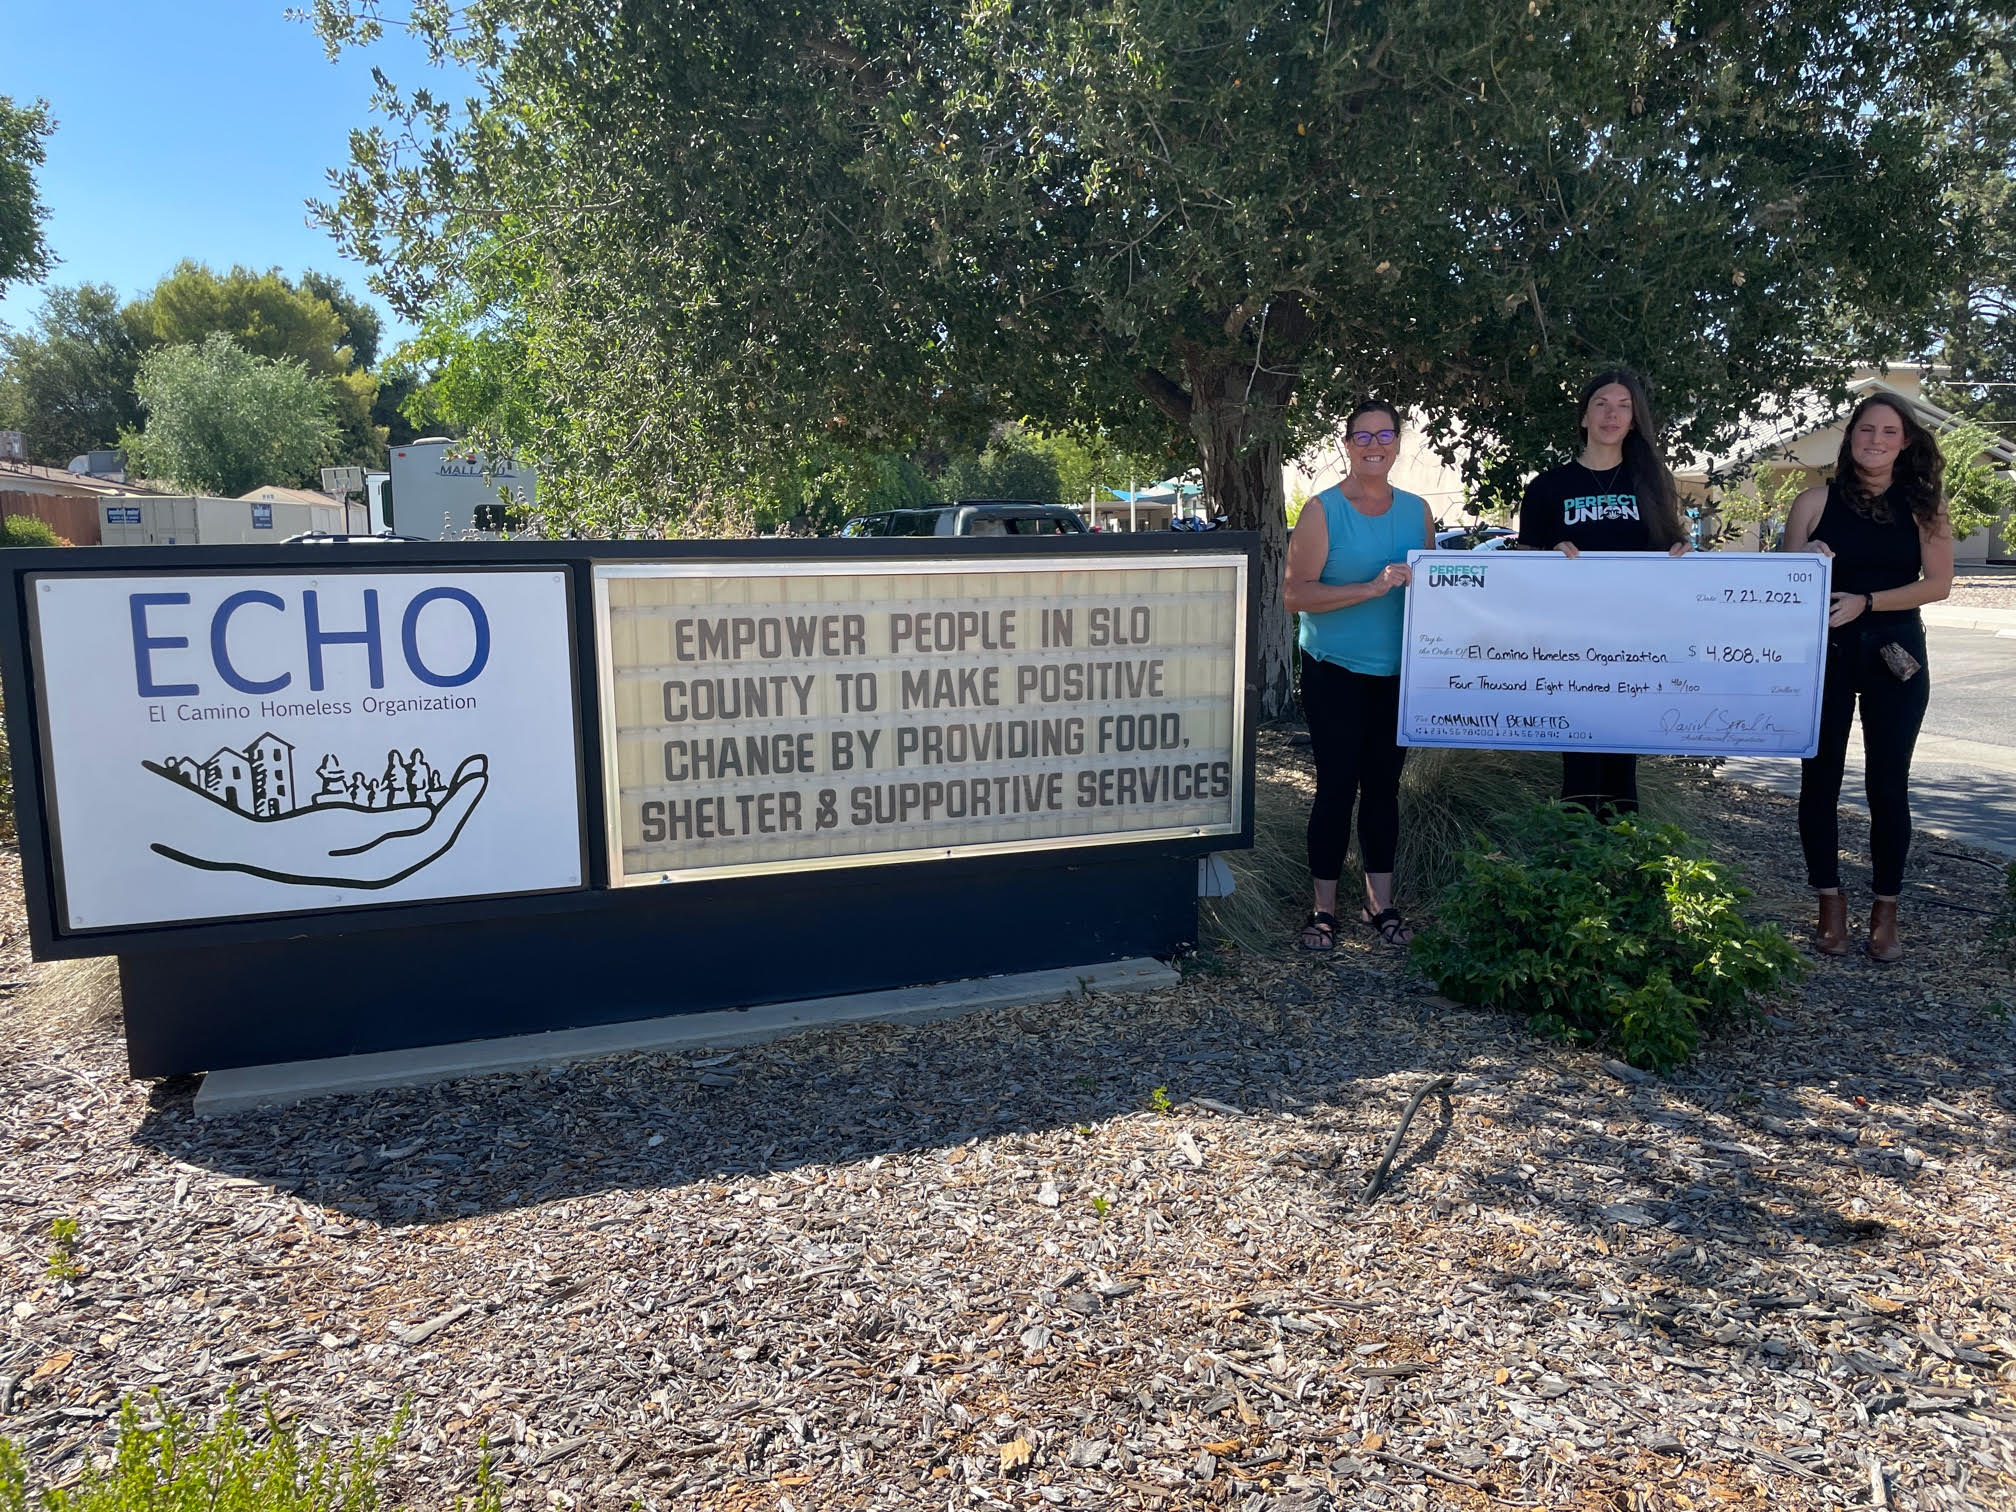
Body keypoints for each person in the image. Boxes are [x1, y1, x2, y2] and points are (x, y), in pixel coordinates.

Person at [1784, 395, 1954, 962]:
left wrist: (1868, 601)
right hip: (1823, 655)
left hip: (1895, 654)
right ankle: (1829, 906)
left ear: (1905, 442)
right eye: (1866, 429)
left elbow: (1938, 585)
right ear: (1851, 436)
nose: (1875, 440)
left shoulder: (1925, 509)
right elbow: (1785, 586)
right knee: (1820, 779)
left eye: (1889, 431)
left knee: (1887, 784)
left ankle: (1886, 909)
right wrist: (1805, 556)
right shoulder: (1813, 501)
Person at [1283, 400, 1437, 951]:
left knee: (1383, 790)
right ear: (1346, 444)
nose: (1374, 445)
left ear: (1398, 443)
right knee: (1336, 789)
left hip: (1397, 676)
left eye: (1385, 435)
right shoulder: (1323, 511)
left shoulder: (1418, 511)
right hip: (1335, 674)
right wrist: (1369, 588)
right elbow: (1295, 595)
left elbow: (1437, 593)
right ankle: (1322, 911)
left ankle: (1381, 905)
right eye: (1363, 436)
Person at [1516, 369, 1692, 817]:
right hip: (1570, 643)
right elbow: (1518, 573)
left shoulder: (1651, 485)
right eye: (1601, 404)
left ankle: (1620, 867)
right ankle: (1576, 867)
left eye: (1623, 406)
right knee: (1578, 761)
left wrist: (1682, 552)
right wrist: (1549, 555)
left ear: (1634, 420)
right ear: (1583, 416)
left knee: (1620, 761)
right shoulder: (1547, 488)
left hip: (1633, 644)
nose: (1612, 414)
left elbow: (1668, 555)